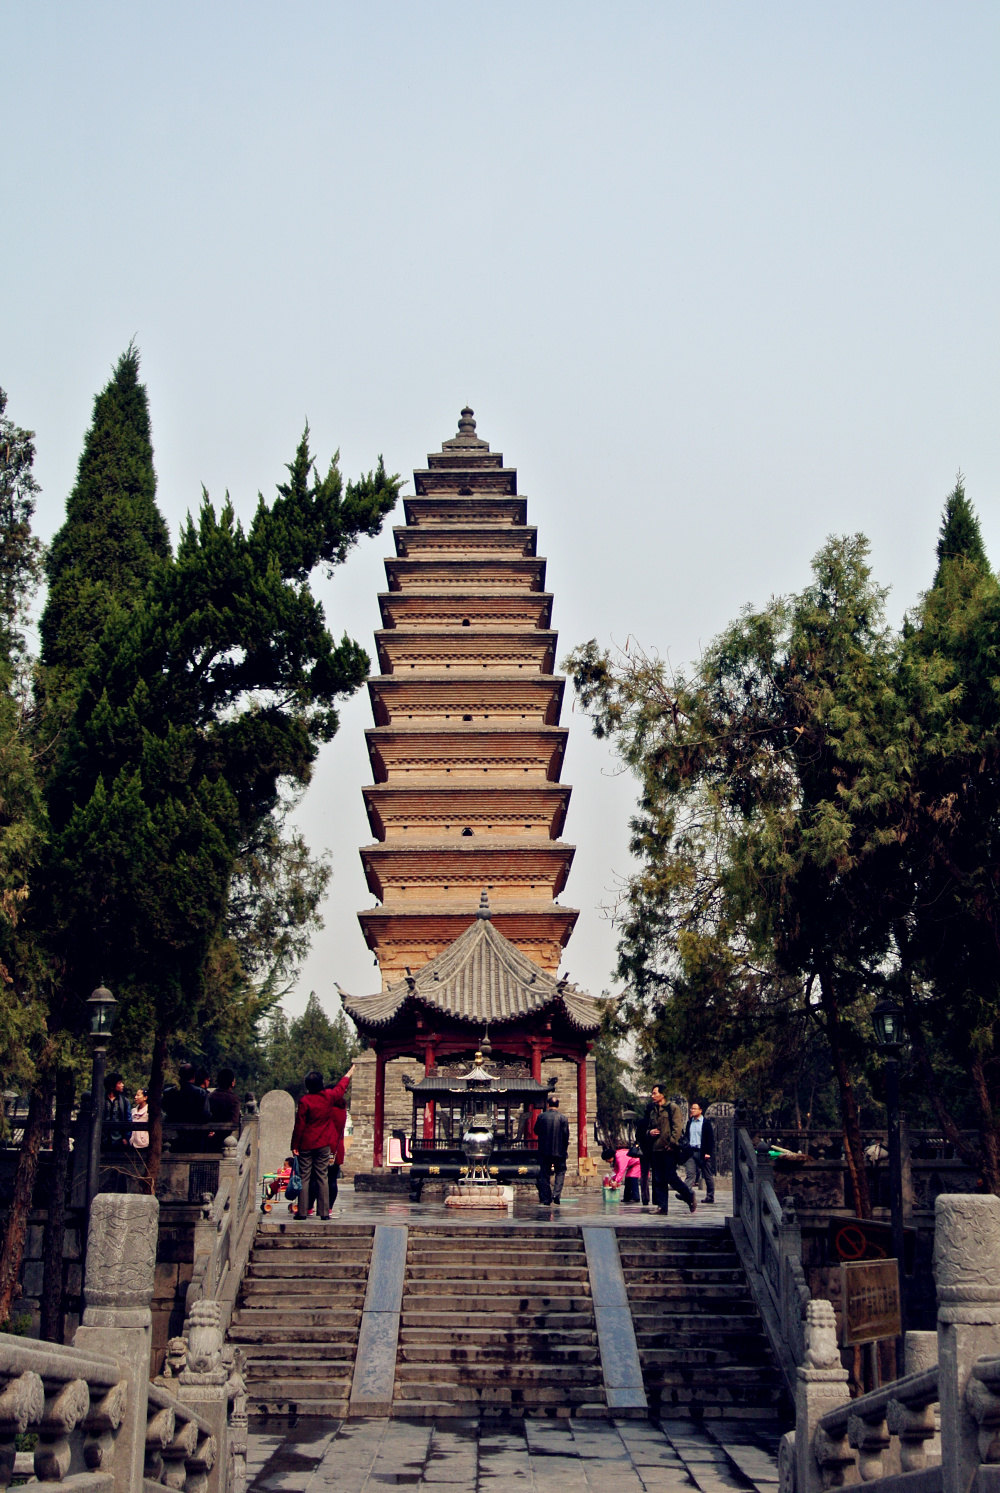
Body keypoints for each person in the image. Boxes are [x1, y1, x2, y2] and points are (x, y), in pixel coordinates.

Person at [291, 1065, 355, 1221]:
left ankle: (302, 1211)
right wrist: (348, 1074)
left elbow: (299, 1125)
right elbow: (340, 1089)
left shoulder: (304, 1101)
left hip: (306, 1144)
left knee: (305, 1177)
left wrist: (294, 1145)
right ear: (321, 1083)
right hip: (324, 1144)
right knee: (322, 1177)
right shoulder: (328, 1097)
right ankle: (324, 1212)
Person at [648, 1084, 697, 1215]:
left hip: (669, 1148)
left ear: (662, 1094)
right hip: (656, 1148)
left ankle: (688, 1195)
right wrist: (650, 1132)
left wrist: (672, 1143)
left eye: (655, 1093)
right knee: (659, 1179)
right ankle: (662, 1206)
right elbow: (649, 1126)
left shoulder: (672, 1108)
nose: (652, 1096)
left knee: (671, 1177)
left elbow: (677, 1127)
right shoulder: (654, 1110)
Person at [163, 1063, 212, 1150]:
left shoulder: (169, 1092)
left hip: (175, 1134)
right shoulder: (200, 1093)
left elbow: (164, 1109)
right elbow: (205, 1115)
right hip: (196, 1135)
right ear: (194, 1076)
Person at [534, 1094, 570, 1206]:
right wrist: (564, 1150)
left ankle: (546, 1198)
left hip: (544, 1151)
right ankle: (556, 1195)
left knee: (544, 1174)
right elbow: (566, 1136)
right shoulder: (563, 1118)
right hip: (559, 1151)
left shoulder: (541, 1117)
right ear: (558, 1106)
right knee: (560, 1172)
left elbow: (536, 1131)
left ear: (548, 1105)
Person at [683, 1099, 716, 1205]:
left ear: (700, 1110)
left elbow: (710, 1139)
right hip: (691, 1151)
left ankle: (710, 1196)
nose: (692, 1110)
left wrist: (708, 1153)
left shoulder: (705, 1123)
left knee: (707, 1175)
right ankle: (685, 1193)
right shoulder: (689, 1123)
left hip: (702, 1152)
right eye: (691, 1108)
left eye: (694, 1108)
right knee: (690, 1173)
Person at [638, 1087, 660, 1206]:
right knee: (652, 1174)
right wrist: (649, 1133)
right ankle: (652, 1198)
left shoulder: (644, 1121)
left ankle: (646, 1198)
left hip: (649, 1151)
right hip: (650, 1150)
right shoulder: (647, 1122)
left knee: (646, 1175)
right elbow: (639, 1135)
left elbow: (637, 1136)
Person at [130, 1086, 150, 1173]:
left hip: (144, 1141)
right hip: (133, 1141)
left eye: (138, 1095)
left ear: (145, 1097)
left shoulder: (149, 1111)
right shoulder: (133, 1111)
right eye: (135, 1095)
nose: (136, 1097)